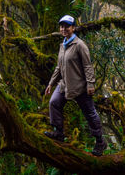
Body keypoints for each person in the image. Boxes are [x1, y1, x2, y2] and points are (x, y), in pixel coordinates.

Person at [44, 14, 107, 156]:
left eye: (67, 26)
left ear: (73, 28)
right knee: (54, 103)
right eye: (62, 26)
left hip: (80, 87)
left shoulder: (79, 45)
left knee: (90, 113)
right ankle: (58, 133)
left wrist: (90, 84)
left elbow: (88, 66)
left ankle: (100, 141)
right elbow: (58, 68)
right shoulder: (63, 45)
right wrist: (51, 83)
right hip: (64, 84)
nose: (64, 29)